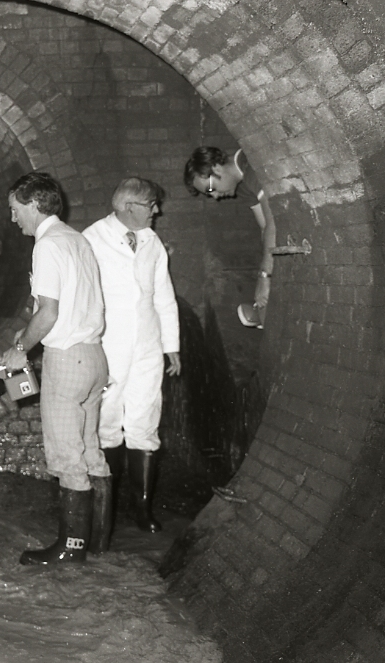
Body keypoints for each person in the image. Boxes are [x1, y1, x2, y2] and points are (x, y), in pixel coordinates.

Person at [1, 172, 110, 565]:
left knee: (67, 458)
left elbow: (49, 313)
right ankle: (98, 543)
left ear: (33, 205)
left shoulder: (46, 246)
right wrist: (27, 329)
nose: (14, 219)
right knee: (92, 452)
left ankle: (69, 550)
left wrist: (19, 349)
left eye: (15, 211)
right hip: (95, 357)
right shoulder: (76, 239)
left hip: (67, 360)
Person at [83, 178, 181, 537]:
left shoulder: (152, 242)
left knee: (144, 422)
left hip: (148, 348)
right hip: (108, 346)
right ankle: (105, 508)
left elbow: (163, 296)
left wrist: (172, 346)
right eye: (151, 205)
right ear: (128, 207)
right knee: (106, 424)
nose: (157, 211)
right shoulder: (92, 240)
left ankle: (142, 509)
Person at [184, 146, 276, 328]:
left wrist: (265, 277)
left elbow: (273, 222)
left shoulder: (252, 164)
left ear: (217, 168)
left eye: (211, 188)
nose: (216, 196)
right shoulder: (241, 188)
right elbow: (264, 226)